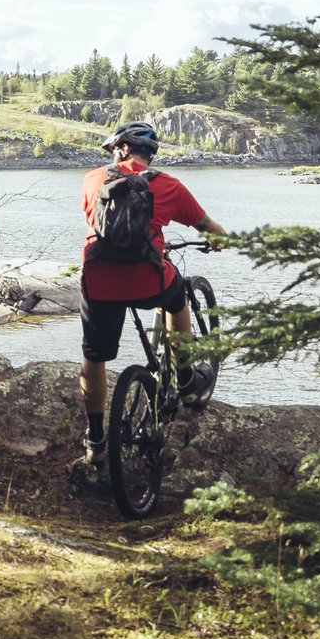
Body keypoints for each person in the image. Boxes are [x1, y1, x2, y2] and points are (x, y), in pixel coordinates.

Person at [79, 120, 228, 468]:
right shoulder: (170, 186)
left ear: (122, 149)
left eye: (115, 148)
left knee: (94, 355)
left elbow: (93, 221)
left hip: (99, 281)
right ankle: (186, 376)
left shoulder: (92, 180)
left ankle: (96, 441)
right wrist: (218, 239)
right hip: (148, 281)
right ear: (149, 153)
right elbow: (211, 227)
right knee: (176, 299)